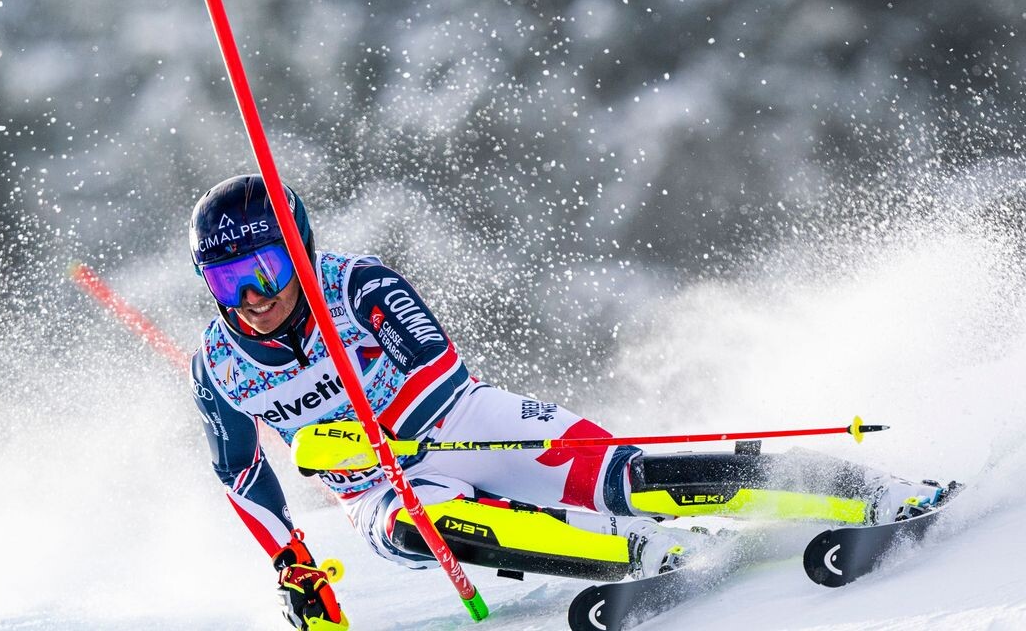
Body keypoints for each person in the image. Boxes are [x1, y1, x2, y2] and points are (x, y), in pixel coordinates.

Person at [187, 174, 951, 630]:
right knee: (422, 527)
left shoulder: (355, 285)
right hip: (381, 491)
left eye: (265, 269)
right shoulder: (220, 365)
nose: (253, 298)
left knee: (627, 478)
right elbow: (240, 474)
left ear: (300, 248)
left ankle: (862, 490)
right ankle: (634, 554)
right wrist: (293, 566)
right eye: (228, 282)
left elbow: (437, 366)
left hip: (462, 425)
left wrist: (373, 428)